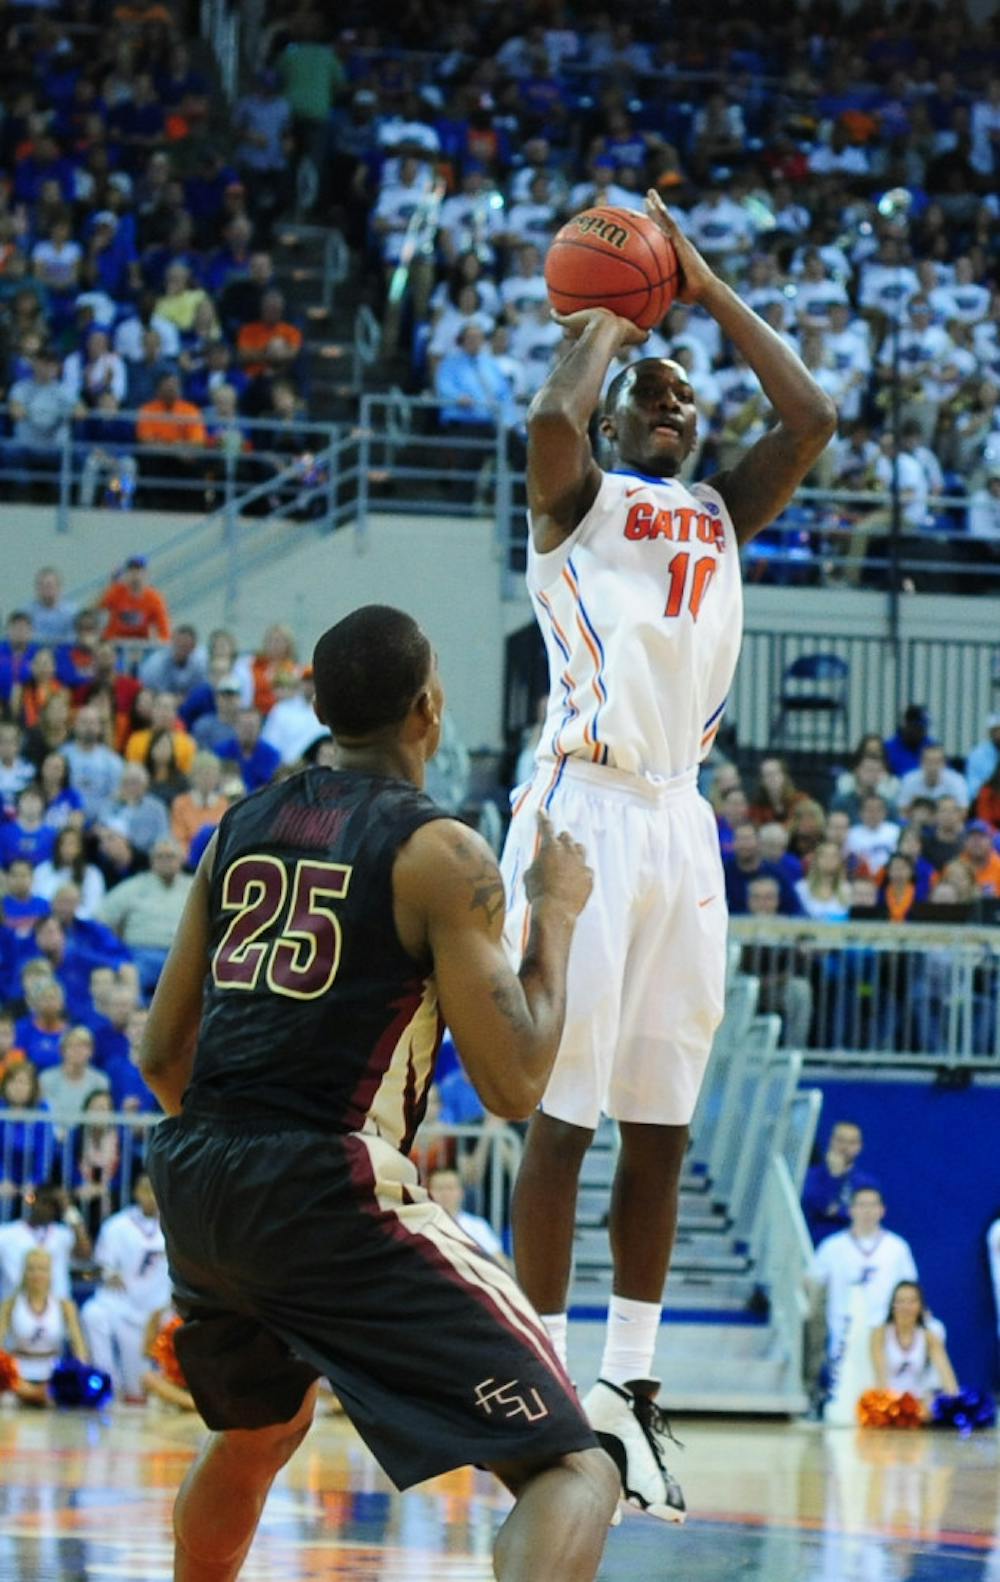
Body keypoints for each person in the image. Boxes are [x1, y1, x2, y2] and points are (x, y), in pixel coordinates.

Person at [138, 604, 617, 1582]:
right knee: (574, 1467)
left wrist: (242, 1175)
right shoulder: (441, 851)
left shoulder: (241, 825)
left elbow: (158, 1053)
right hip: (326, 1183)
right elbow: (516, 1083)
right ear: (429, 707)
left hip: (196, 1178)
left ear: (319, 705)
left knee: (258, 1430)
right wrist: (558, 918)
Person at [498, 188, 836, 1518]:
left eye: (690, 400)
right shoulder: (579, 500)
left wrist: (698, 285)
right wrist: (601, 314)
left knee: (661, 1120)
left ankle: (628, 1387)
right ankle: (533, 1374)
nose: (681, 406)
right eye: (659, 394)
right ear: (619, 416)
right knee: (564, 1117)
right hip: (581, 809)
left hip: (681, 820)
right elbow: (547, 418)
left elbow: (810, 415)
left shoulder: (718, 513)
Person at [808, 1186, 918, 1379]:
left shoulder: (897, 1247)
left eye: (872, 1205)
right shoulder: (832, 1246)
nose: (867, 1211)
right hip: (844, 1329)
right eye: (861, 1205)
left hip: (885, 1329)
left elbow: (910, 1289)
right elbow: (812, 1282)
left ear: (882, 1210)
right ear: (850, 1210)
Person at [80, 1173, 171, 1403]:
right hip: (122, 1305)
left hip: (157, 1311)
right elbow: (102, 1266)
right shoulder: (116, 1225)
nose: (150, 1195)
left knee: (138, 1389)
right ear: (135, 1193)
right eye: (144, 1189)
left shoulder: (176, 1225)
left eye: (154, 1189)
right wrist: (109, 1273)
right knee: (93, 1314)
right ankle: (107, 1383)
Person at [0, 1246, 89, 1406]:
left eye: (42, 1269)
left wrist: (78, 1372)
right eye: (31, 1269)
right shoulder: (10, 1305)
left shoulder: (65, 1306)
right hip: (18, 1375)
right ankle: (33, 1395)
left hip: (52, 1375)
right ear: (24, 1273)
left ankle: (40, 1395)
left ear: (50, 1273)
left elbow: (79, 1348)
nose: (36, 1274)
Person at [870, 1280, 959, 1416]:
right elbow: (879, 1377)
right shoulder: (879, 1334)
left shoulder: (929, 1336)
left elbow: (947, 1377)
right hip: (888, 1402)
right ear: (892, 1305)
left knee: (931, 1409)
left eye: (912, 1301)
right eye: (901, 1301)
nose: (906, 1307)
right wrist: (886, 1406)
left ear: (920, 1306)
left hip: (919, 1405)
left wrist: (957, 1406)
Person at [0, 1183, 92, 1302]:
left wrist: (68, 1207)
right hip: (16, 1311)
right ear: (33, 1201)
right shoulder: (6, 1233)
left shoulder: (63, 1234)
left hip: (56, 1313)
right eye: (44, 1202)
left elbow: (85, 1253)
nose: (47, 1208)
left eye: (53, 1205)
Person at [802, 1121, 880, 1244]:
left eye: (851, 1142)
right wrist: (834, 1177)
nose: (844, 1147)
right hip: (812, 1244)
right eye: (840, 1140)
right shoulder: (811, 1175)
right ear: (831, 1141)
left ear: (859, 1147)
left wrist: (837, 1211)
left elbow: (865, 1215)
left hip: (850, 1248)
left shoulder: (865, 1182)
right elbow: (817, 1205)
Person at [426, 1166, 514, 1271]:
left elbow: (499, 1261)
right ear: (428, 1192)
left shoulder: (477, 1226)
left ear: (461, 1192)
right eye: (439, 1188)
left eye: (450, 1188)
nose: (445, 1194)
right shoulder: (422, 1225)